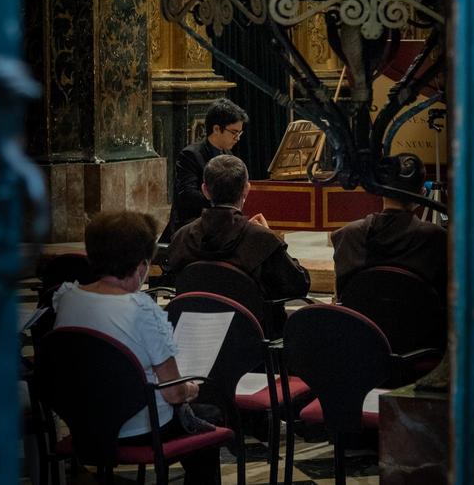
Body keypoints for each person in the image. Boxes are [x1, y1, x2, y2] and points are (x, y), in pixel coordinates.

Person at [52, 210, 221, 485]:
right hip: (137, 427)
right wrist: (192, 388)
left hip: (83, 423)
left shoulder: (67, 298)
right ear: (142, 266)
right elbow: (174, 392)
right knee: (210, 412)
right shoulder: (141, 310)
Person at [167, 154, 310, 336]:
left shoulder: (181, 237)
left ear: (205, 190)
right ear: (246, 189)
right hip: (251, 340)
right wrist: (271, 237)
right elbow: (299, 285)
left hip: (194, 336)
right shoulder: (261, 239)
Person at [331, 153, 448, 300]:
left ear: (380, 190)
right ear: (422, 194)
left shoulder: (347, 236)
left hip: (361, 322)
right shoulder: (437, 239)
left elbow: (341, 297)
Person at [160, 98, 249, 243]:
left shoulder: (229, 156)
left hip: (218, 222)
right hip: (192, 226)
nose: (237, 138)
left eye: (239, 133)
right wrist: (222, 204)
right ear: (216, 129)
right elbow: (187, 195)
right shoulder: (190, 155)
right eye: (234, 132)